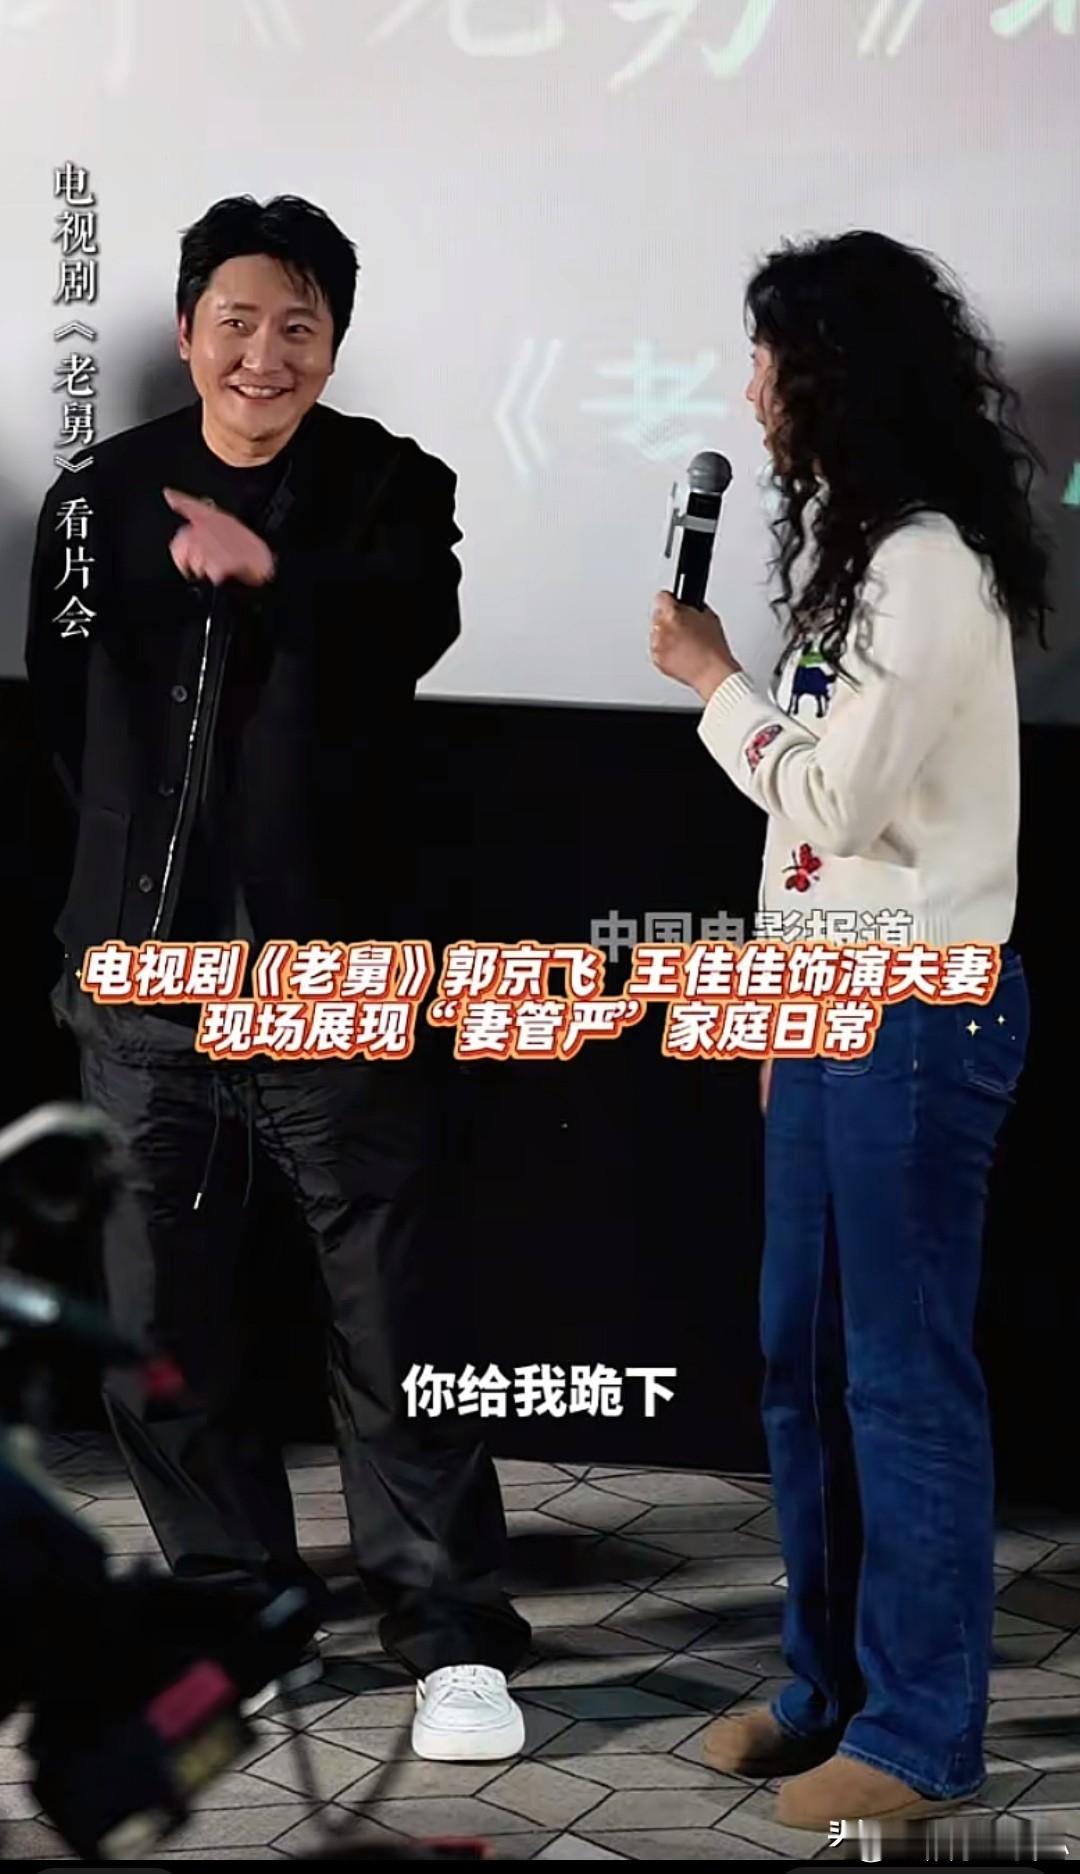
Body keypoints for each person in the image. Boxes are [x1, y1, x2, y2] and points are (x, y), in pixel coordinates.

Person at [24, 193, 530, 1761]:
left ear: (333, 343)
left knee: (393, 1313)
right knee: (157, 1322)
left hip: (333, 981)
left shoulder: (390, 486)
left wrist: (271, 574)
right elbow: (64, 704)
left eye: (297, 326)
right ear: (186, 330)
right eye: (236, 321)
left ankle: (450, 1633)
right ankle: (233, 1606)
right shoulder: (98, 495)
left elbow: (408, 626)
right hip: (147, 985)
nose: (264, 353)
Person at [650, 230, 1048, 1829]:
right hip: (823, 1008)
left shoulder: (928, 562)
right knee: (798, 1362)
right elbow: (806, 851)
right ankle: (827, 1687)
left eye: (767, 360)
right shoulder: (861, 553)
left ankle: (921, 1735)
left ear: (835, 372)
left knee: (901, 1378)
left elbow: (831, 794)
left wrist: (713, 681)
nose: (750, 393)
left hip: (918, 1016)